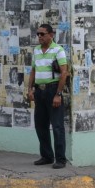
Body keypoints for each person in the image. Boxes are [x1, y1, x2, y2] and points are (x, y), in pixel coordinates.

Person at [27, 23, 69, 169]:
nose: (39, 36)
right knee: (40, 125)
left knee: (57, 126)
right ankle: (46, 156)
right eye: (38, 34)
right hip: (39, 91)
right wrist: (30, 89)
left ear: (51, 35)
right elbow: (33, 70)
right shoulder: (37, 51)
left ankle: (60, 159)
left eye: (42, 34)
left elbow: (64, 73)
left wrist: (58, 94)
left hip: (52, 90)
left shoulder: (58, 50)